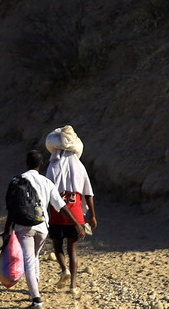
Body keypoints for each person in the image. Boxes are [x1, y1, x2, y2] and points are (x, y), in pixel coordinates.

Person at [6, 150, 84, 309]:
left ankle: (36, 299)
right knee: (34, 257)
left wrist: (7, 230)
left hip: (23, 227)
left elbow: (11, 208)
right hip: (42, 227)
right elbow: (61, 206)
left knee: (28, 260)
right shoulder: (47, 182)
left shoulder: (18, 180)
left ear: (26, 163)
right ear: (41, 165)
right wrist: (76, 223)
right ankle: (34, 290)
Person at [44, 126, 97, 295]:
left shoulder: (52, 167)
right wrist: (92, 216)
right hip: (75, 215)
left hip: (57, 214)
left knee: (58, 247)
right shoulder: (80, 168)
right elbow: (88, 194)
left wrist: (44, 214)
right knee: (72, 250)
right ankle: (73, 286)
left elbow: (46, 192)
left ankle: (63, 269)